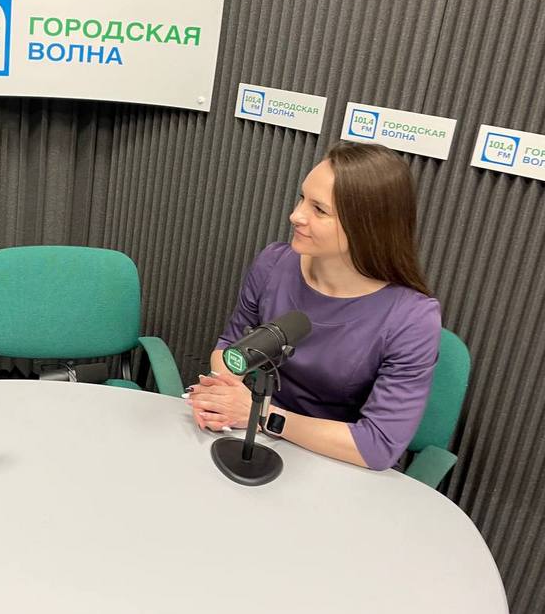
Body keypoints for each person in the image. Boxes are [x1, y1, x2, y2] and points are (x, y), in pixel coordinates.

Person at [187, 141, 441, 470]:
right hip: (247, 435)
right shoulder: (273, 264)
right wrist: (221, 398)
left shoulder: (412, 319)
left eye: (319, 210)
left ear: (367, 226)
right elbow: (229, 349)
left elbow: (377, 446)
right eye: (302, 198)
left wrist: (261, 414)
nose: (296, 215)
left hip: (331, 460)